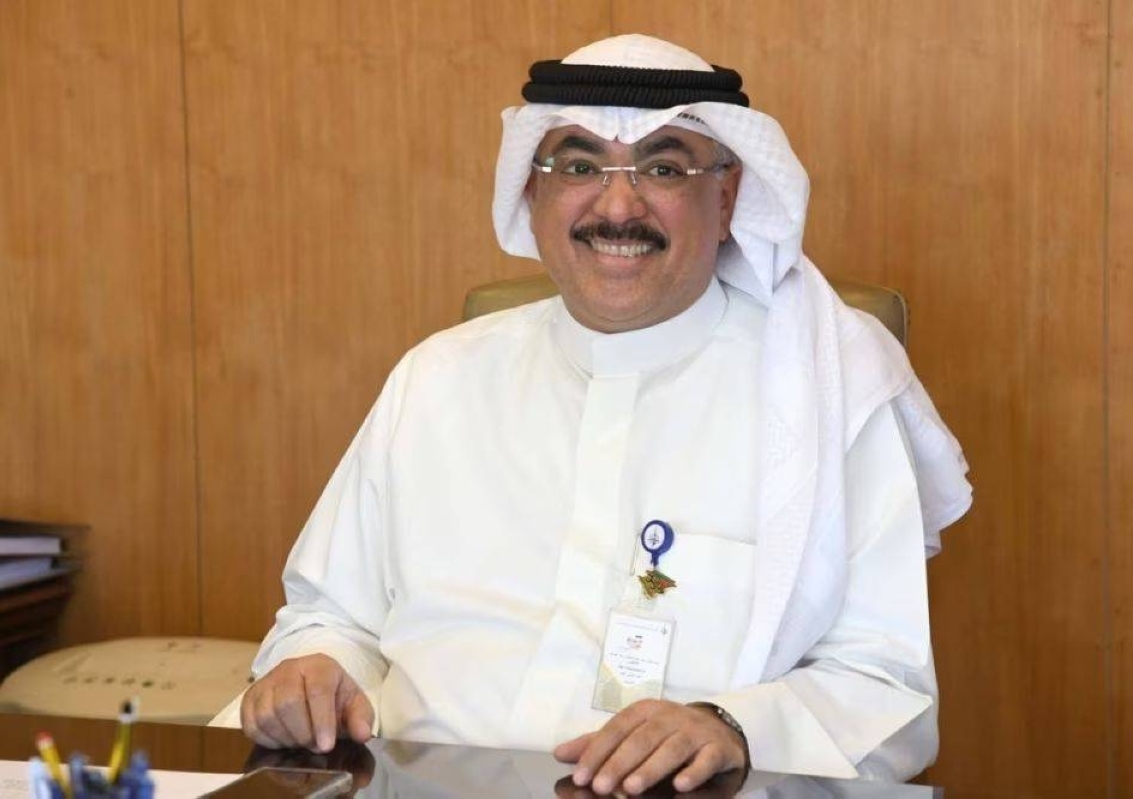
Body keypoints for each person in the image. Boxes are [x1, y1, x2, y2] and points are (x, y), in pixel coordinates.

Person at [211, 34, 971, 794]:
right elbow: (330, 617)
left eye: (663, 169)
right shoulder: (436, 378)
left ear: (727, 197)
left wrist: (734, 725)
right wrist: (314, 668)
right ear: (531, 193)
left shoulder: (825, 392)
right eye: (578, 167)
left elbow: (886, 689)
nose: (617, 207)